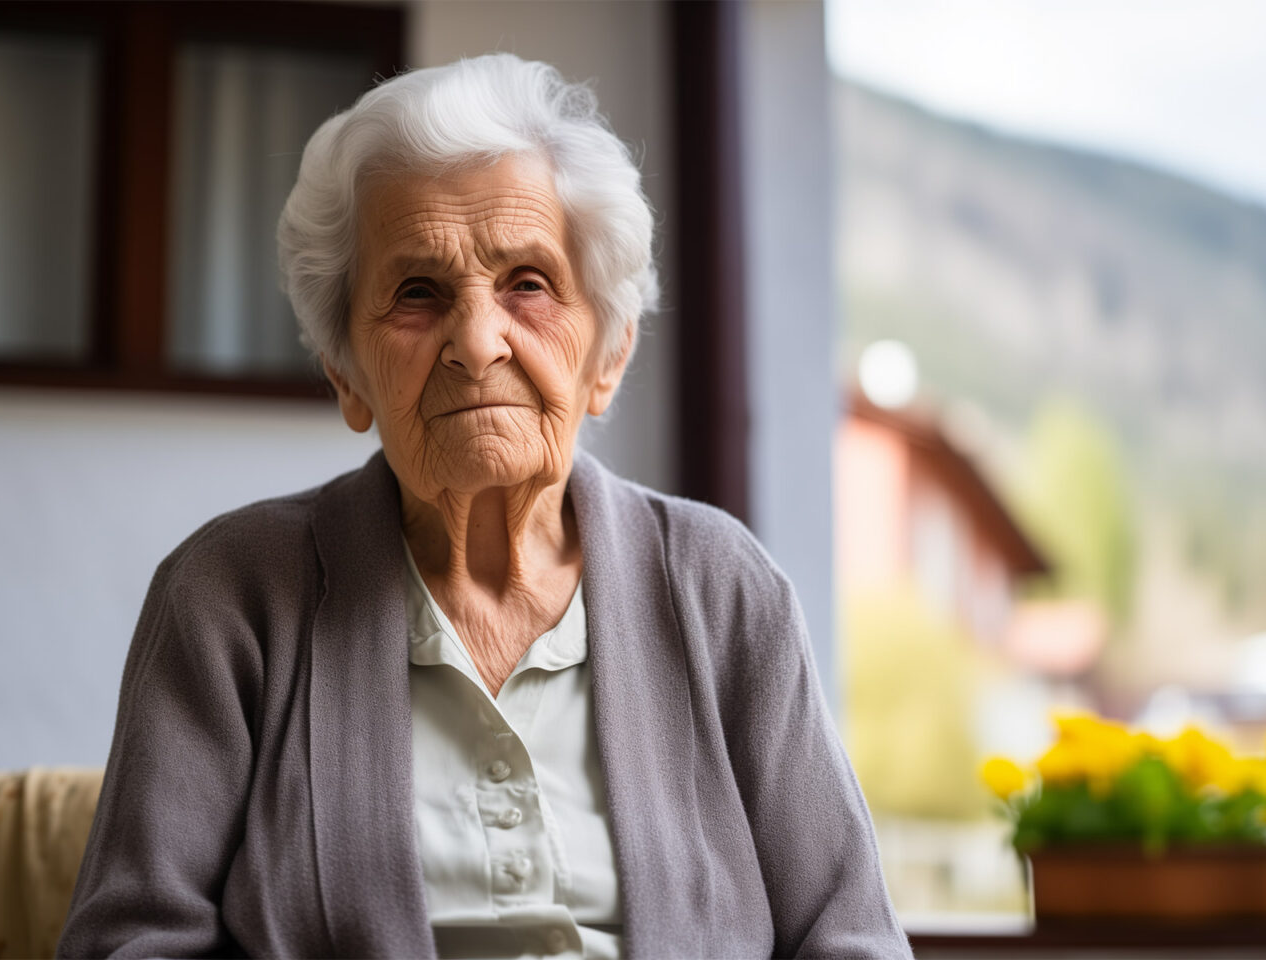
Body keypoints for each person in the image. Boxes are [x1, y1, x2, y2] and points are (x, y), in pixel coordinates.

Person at [57, 53, 910, 959]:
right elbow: (131, 942)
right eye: (417, 293)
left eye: (528, 284)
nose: (476, 341)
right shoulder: (232, 597)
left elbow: (850, 936)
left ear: (607, 356)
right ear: (346, 373)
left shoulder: (722, 589)